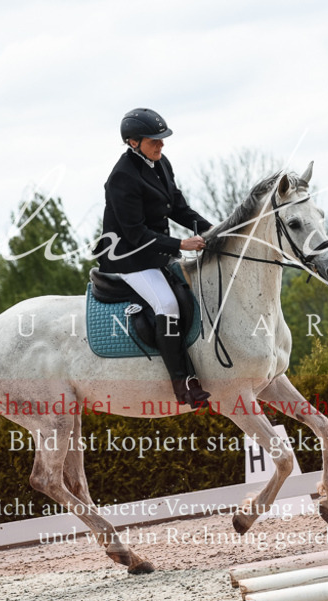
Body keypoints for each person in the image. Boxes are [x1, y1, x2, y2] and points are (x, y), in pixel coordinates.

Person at [95, 108, 214, 410]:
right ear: (133, 142)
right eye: (154, 141)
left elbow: (178, 209)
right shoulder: (121, 177)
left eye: (162, 140)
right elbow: (134, 233)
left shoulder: (161, 164)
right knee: (167, 304)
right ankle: (181, 382)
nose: (161, 145)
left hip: (157, 253)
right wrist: (180, 243)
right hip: (128, 257)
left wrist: (215, 230)